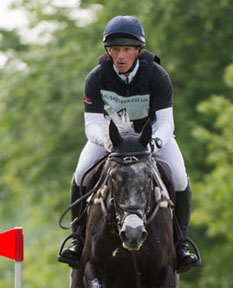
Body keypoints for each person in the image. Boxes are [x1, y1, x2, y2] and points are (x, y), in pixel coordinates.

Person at [58, 15, 200, 273]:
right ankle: (78, 241)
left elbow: (167, 123)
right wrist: (108, 141)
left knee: (179, 178)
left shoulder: (157, 76)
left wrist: (154, 143)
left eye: (126, 49)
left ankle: (181, 245)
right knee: (80, 174)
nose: (120, 56)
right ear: (108, 52)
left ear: (138, 51)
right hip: (110, 138)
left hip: (150, 138)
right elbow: (91, 125)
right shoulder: (96, 78)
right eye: (114, 49)